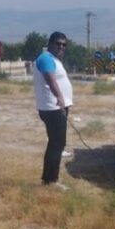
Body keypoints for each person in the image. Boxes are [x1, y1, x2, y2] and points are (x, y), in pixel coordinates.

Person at [33, 31, 73, 188]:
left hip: (56, 107)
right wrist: (60, 98)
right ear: (50, 44)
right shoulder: (46, 58)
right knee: (57, 144)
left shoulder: (54, 59)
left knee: (56, 144)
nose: (61, 47)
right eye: (58, 44)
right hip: (53, 108)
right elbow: (50, 79)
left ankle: (49, 179)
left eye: (64, 45)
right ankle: (51, 180)